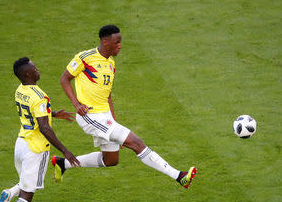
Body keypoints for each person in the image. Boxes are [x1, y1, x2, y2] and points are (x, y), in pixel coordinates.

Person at [53, 25, 197, 188]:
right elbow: (64, 79)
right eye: (117, 42)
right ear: (105, 41)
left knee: (111, 160)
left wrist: (114, 121)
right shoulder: (85, 57)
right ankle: (179, 176)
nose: (120, 45)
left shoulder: (111, 64)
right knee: (137, 143)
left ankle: (62, 164)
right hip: (90, 116)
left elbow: (107, 95)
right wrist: (77, 104)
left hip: (104, 116)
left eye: (120, 42)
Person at [0, 57, 80, 202]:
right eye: (34, 67)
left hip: (21, 143)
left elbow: (36, 115)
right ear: (28, 74)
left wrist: (53, 113)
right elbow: (44, 128)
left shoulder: (20, 90)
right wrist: (65, 151)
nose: (38, 69)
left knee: (25, 185)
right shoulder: (39, 96)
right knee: (27, 195)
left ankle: (9, 193)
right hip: (36, 149)